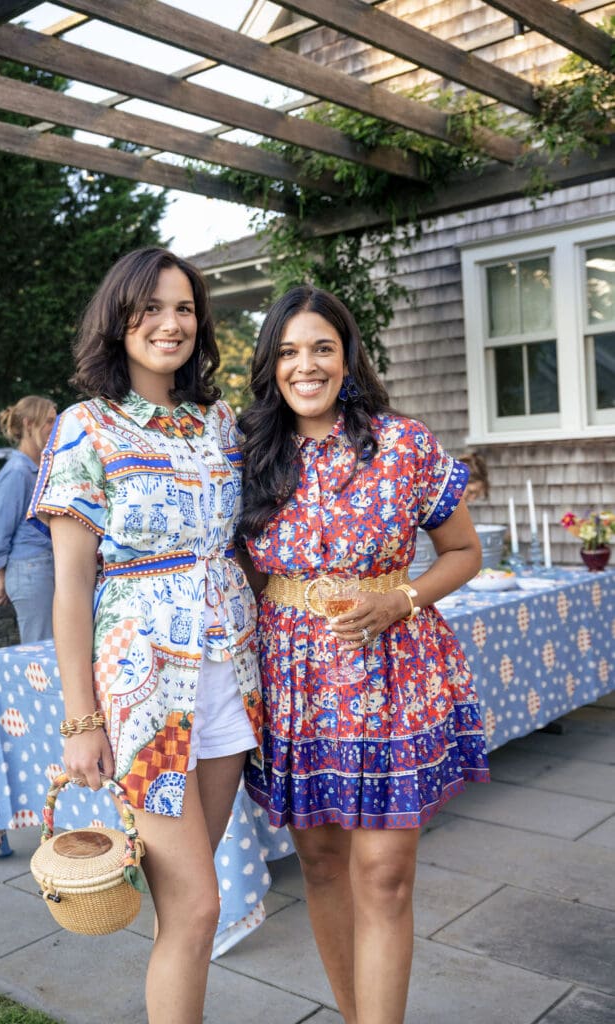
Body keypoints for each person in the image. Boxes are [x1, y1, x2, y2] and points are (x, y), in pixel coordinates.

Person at [238, 286, 490, 1024]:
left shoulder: (402, 444)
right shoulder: (247, 452)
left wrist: (400, 599)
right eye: (287, 352)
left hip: (390, 675)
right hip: (295, 681)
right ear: (269, 365)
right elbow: (242, 571)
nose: (304, 365)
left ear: (347, 357)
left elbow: (463, 550)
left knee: (383, 875)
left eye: (320, 347)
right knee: (319, 865)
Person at [28, 247, 262, 1024]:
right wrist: (81, 719)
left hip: (231, 683)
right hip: (145, 695)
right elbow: (71, 589)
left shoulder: (219, 422)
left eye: (185, 308)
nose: (170, 323)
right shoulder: (84, 427)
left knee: (184, 907)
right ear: (118, 320)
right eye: (151, 309)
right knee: (198, 908)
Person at [0, 395, 57, 642]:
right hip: (30, 570)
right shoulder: (17, 473)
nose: (55, 426)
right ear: (29, 424)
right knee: (41, 650)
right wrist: (2, 578)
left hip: (43, 567)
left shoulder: (40, 467)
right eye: (49, 421)